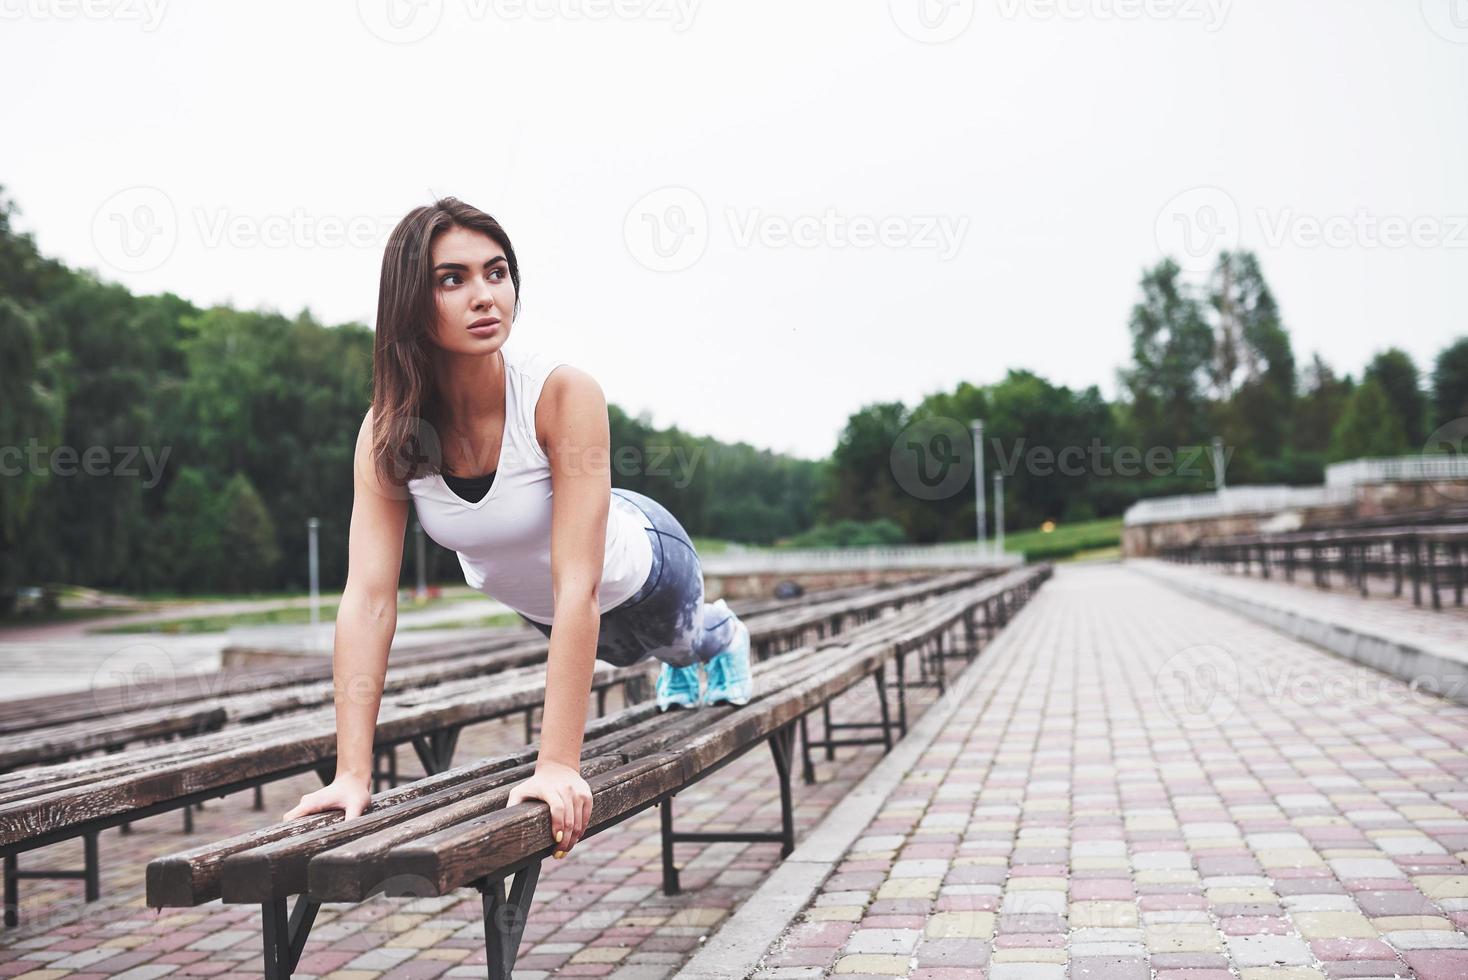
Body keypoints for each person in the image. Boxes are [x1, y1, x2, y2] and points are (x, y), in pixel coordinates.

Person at [282, 197, 752, 860]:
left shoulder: (561, 394)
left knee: (682, 644)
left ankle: (727, 632)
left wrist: (557, 763)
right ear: (411, 300)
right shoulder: (389, 433)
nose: (484, 296)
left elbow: (579, 584)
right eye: (454, 279)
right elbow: (368, 599)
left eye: (496, 273)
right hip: (551, 615)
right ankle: (677, 661)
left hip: (641, 570)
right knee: (623, 658)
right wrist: (351, 773)